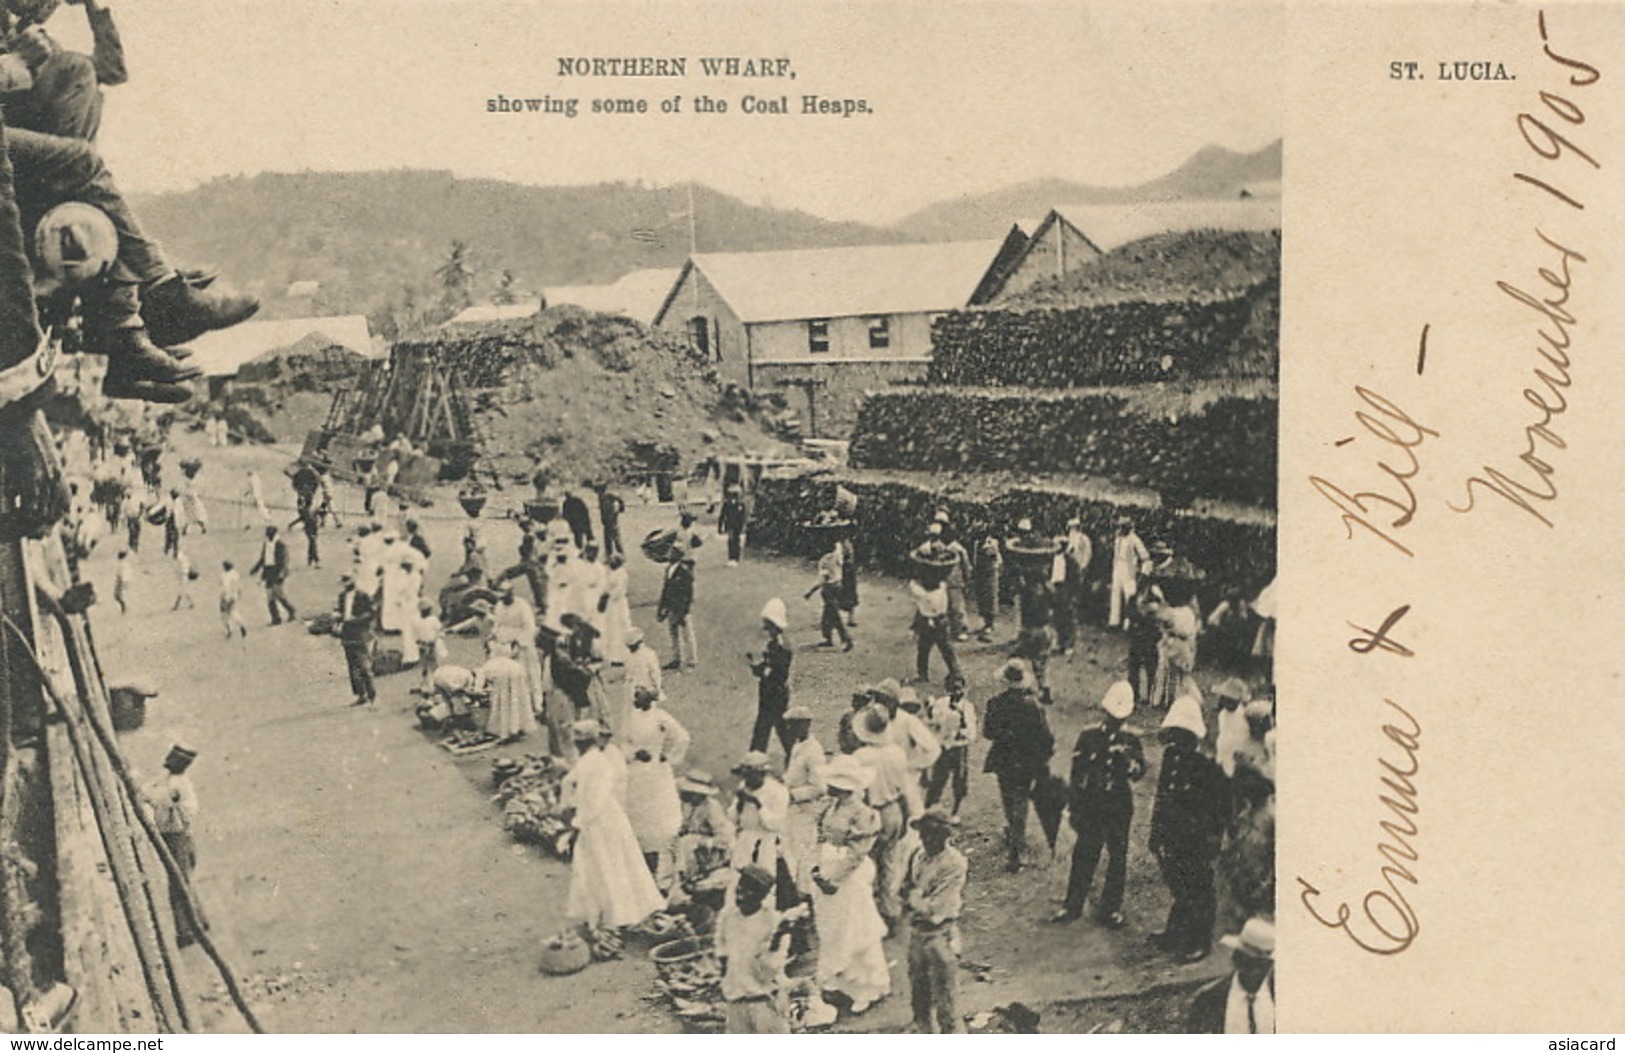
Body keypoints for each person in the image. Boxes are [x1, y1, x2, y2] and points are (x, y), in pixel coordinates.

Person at [1054, 681, 1145, 927]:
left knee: (1117, 856)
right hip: (1093, 804)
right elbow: (1076, 773)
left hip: (1118, 806)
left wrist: (1127, 763)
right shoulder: (1089, 735)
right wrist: (1073, 805)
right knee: (1085, 853)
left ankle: (1111, 908)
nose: (1115, 721)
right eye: (1112, 716)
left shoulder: (1131, 740)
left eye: (1120, 718)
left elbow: (1139, 772)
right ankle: (1072, 904)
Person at [563, 720, 665, 931]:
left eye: (579, 741)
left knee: (605, 865)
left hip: (600, 820)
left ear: (585, 742)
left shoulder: (595, 762)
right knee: (604, 865)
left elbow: (595, 799)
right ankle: (603, 915)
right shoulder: (591, 760)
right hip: (601, 818)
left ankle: (613, 916)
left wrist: (578, 823)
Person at [809, 756, 890, 1015]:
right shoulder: (831, 807)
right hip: (828, 866)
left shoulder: (863, 814)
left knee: (855, 929)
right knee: (832, 928)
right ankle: (838, 979)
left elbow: (857, 853)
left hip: (848, 874)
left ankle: (866, 989)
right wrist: (817, 869)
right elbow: (820, 837)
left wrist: (833, 878)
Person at [1149, 695, 1227, 962]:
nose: (1176, 740)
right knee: (1178, 885)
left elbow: (1220, 809)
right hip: (1172, 835)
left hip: (1196, 839)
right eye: (1174, 734)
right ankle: (1176, 932)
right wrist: (1155, 832)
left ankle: (1200, 941)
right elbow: (1162, 796)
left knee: (1200, 890)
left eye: (1182, 735)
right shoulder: (1171, 758)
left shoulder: (1206, 767)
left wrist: (1211, 840)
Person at [3, 0, 127, 142]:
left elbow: (112, 71)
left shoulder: (43, 43)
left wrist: (91, 6)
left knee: (82, 73)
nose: (50, 5)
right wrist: (18, 59)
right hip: (9, 137)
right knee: (77, 66)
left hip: (37, 141)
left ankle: (75, 156)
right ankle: (74, 157)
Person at [900, 807, 969, 1034]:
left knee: (945, 998)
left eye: (931, 834)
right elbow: (903, 889)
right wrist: (913, 897)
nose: (925, 838)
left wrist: (914, 898)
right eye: (923, 833)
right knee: (919, 994)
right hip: (918, 932)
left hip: (941, 932)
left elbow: (936, 908)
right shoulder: (917, 856)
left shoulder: (954, 863)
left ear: (943, 836)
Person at [980, 659, 1053, 872]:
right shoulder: (1034, 706)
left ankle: (1014, 836)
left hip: (1004, 757)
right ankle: (1017, 844)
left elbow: (988, 732)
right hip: (1026, 758)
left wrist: (1006, 736)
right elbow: (1045, 736)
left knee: (1007, 796)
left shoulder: (995, 703)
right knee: (1021, 799)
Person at [850, 704, 910, 928]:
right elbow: (903, 789)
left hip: (870, 811)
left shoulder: (861, 757)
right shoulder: (897, 753)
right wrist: (905, 814)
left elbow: (858, 792)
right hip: (893, 808)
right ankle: (890, 909)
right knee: (890, 860)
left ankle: (869, 914)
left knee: (867, 863)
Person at [620, 685, 691, 876]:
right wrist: (634, 753)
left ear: (649, 699)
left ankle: (657, 856)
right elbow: (625, 741)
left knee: (656, 814)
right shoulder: (631, 717)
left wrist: (667, 756)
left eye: (639, 696)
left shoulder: (660, 717)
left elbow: (682, 737)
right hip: (635, 769)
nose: (635, 699)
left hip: (654, 771)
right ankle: (637, 855)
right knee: (635, 811)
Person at [716, 864, 789, 1034]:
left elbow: (770, 969)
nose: (740, 896)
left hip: (763, 1001)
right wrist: (726, 981)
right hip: (736, 999)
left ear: (760, 895)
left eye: (748, 891)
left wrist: (776, 940)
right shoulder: (729, 918)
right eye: (739, 889)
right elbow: (722, 952)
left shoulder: (771, 922)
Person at [145, 740, 205, 948]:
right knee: (181, 879)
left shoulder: (179, 784)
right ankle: (197, 921)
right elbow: (150, 793)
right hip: (171, 834)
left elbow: (167, 801)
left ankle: (186, 930)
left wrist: (170, 803)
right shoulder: (167, 780)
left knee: (178, 883)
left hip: (176, 835)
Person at [1187, 917, 1275, 1034]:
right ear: (1237, 959)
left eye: (1263, 964)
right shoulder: (1209, 999)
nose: (1257, 971)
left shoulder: (1281, 998)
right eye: (1250, 962)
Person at [727, 751, 791, 898]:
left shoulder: (778, 791)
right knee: (737, 878)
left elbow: (776, 824)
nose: (747, 779)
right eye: (745, 775)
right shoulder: (744, 786)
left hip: (766, 841)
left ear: (761, 774)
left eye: (751, 775)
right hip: (745, 840)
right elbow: (733, 817)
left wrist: (758, 804)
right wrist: (741, 803)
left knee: (764, 881)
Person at [781, 705, 826, 890]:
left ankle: (805, 892)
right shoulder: (799, 745)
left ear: (806, 724)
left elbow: (819, 787)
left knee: (803, 853)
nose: (790, 729)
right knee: (789, 850)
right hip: (794, 810)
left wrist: (793, 795)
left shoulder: (814, 752)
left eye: (794, 725)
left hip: (806, 812)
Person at [924, 672, 977, 816]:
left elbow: (972, 732)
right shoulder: (941, 703)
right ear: (947, 689)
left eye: (959, 689)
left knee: (959, 780)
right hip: (944, 747)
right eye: (952, 689)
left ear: (964, 689)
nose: (956, 692)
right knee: (938, 778)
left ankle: (955, 810)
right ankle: (929, 805)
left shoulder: (967, 707)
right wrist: (930, 711)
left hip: (959, 748)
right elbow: (933, 723)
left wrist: (962, 722)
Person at [746, 598, 793, 757]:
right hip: (772, 691)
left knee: (774, 727)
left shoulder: (780, 647)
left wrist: (758, 670)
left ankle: (792, 756)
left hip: (775, 692)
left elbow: (775, 672)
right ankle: (755, 757)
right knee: (767, 727)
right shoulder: (776, 644)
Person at [673, 770, 733, 892]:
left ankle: (689, 880)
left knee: (687, 842)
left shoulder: (711, 807)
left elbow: (724, 838)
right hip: (686, 846)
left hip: (709, 850)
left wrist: (701, 841)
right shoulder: (684, 804)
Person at [906, 549, 960, 685]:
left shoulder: (921, 593)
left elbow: (915, 589)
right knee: (947, 650)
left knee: (924, 650)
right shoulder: (942, 587)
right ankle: (956, 674)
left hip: (930, 623)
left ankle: (923, 675)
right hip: (941, 622)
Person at [477, 637, 537, 744]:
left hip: (501, 670)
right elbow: (515, 651)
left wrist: (478, 689)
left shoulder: (490, 661)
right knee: (517, 697)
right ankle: (517, 726)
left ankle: (505, 730)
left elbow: (480, 677)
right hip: (515, 667)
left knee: (503, 700)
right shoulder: (507, 640)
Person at [1151, 590, 1201, 710]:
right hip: (1186, 646)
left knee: (1166, 672)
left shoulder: (1174, 613)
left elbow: (1161, 617)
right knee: (1179, 674)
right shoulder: (1190, 613)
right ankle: (1170, 700)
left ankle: (1159, 700)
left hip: (1175, 645)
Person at [1054, 517, 1094, 653]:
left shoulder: (1072, 560)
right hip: (1058, 589)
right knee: (1058, 616)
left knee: (1069, 616)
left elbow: (1086, 557)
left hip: (1069, 589)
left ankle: (1069, 644)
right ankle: (1061, 642)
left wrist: (1074, 593)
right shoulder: (1055, 559)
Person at [806, 539, 853, 650]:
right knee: (827, 615)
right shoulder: (837, 556)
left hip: (829, 590)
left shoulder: (825, 561)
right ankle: (828, 638)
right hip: (838, 586)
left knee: (834, 616)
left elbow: (823, 580)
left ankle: (846, 639)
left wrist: (811, 591)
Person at [338, 573, 376, 707]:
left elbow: (371, 613)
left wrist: (355, 620)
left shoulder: (363, 595)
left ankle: (372, 695)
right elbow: (341, 613)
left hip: (361, 632)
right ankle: (361, 695)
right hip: (348, 634)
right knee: (353, 667)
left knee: (364, 666)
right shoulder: (342, 597)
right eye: (344, 582)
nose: (346, 584)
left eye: (348, 581)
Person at [656, 552, 697, 670]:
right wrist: (662, 608)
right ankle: (676, 658)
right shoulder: (669, 569)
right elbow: (665, 589)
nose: (669, 555)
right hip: (671, 606)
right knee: (673, 633)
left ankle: (692, 659)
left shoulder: (684, 571)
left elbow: (688, 593)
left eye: (672, 554)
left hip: (681, 607)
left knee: (687, 633)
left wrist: (684, 611)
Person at [1125, 587, 1164, 708]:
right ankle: (1134, 695)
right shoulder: (1134, 597)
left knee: (1150, 667)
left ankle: (1150, 696)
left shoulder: (1156, 596)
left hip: (1149, 636)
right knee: (1134, 667)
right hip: (1139, 635)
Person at [1109, 516, 1150, 628]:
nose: (1121, 529)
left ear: (1129, 527)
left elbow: (1146, 558)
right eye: (1120, 526)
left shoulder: (1134, 539)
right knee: (1115, 594)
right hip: (1118, 568)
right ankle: (1114, 622)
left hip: (1129, 570)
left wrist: (1143, 573)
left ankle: (1128, 623)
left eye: (1123, 526)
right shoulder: (1118, 539)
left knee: (1129, 596)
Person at [1213, 678, 1253, 778]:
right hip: (1223, 757)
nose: (1226, 702)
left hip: (1239, 761)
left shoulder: (1245, 715)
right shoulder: (1222, 715)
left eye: (1229, 699)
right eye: (1224, 698)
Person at [971, 533, 1002, 642]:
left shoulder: (992, 543)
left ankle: (990, 623)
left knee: (991, 597)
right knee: (982, 597)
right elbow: (975, 558)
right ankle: (985, 621)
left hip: (990, 573)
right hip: (980, 573)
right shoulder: (976, 543)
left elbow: (996, 558)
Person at [602, 553, 632, 664]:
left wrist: (608, 594)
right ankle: (614, 656)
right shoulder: (609, 572)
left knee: (621, 627)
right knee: (612, 629)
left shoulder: (622, 574)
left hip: (619, 603)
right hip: (611, 604)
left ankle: (624, 655)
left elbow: (620, 590)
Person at [411, 601, 445, 695]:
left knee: (429, 665)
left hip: (427, 645)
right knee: (430, 666)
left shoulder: (418, 621)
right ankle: (430, 685)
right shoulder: (431, 620)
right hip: (427, 645)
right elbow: (440, 631)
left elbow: (439, 632)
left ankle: (433, 685)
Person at [718, 483, 748, 565]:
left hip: (737, 525)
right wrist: (720, 526)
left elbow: (743, 517)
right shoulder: (727, 504)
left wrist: (743, 526)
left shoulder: (741, 504)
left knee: (737, 540)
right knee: (731, 540)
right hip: (730, 524)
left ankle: (736, 557)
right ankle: (731, 557)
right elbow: (722, 515)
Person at [596, 481, 625, 562]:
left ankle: (621, 554)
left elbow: (619, 498)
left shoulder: (608, 495)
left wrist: (621, 508)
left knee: (615, 537)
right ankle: (609, 555)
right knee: (608, 539)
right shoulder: (600, 497)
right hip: (606, 520)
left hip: (611, 519)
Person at [562, 482, 594, 552]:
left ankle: (584, 551)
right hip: (581, 523)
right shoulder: (577, 501)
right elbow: (585, 511)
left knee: (580, 540)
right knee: (587, 538)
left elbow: (565, 515)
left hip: (577, 524)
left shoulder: (567, 503)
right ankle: (589, 551)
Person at [218, 559, 246, 638]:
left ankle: (229, 629)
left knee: (223, 615)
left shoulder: (223, 575)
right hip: (234, 596)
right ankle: (241, 624)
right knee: (233, 612)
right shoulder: (236, 574)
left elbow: (223, 587)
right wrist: (239, 594)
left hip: (226, 597)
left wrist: (223, 597)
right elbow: (239, 586)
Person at [112, 547, 132, 613]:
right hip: (119, 580)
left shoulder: (122, 564)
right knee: (117, 596)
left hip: (120, 580)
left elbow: (123, 573)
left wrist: (124, 581)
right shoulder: (121, 563)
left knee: (117, 596)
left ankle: (123, 608)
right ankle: (123, 607)